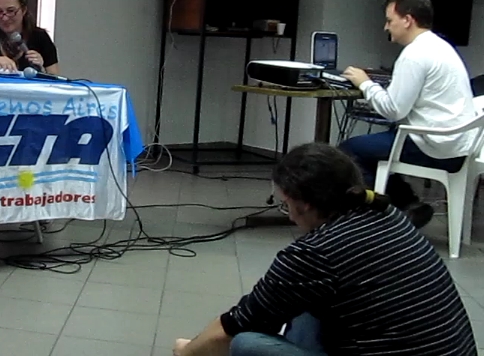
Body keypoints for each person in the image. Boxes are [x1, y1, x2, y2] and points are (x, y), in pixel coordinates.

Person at [173, 142, 477, 356]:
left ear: (303, 203)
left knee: (246, 344)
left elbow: (234, 325)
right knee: (307, 305)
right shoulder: (387, 214)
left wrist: (186, 351)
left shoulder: (315, 254)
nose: (288, 215)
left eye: (285, 204)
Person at [339, 0, 477, 228]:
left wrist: (365, 83)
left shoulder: (414, 55)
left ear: (407, 20)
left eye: (389, 20)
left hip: (434, 149)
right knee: (378, 146)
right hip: (456, 146)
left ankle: (391, 214)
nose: (386, 27)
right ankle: (409, 205)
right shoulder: (441, 46)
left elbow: (393, 110)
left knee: (348, 152)